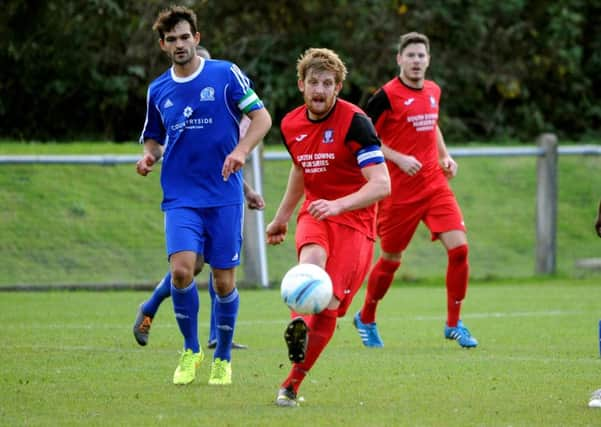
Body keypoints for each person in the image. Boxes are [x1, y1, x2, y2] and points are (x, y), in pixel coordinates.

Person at [136, 5, 271, 386]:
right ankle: (191, 350)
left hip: (224, 196)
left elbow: (262, 118)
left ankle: (223, 358)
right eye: (171, 39)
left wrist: (241, 151)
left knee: (224, 282)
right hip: (180, 196)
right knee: (182, 270)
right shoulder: (158, 89)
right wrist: (149, 156)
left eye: (185, 37)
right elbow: (154, 137)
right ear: (163, 45)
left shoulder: (225, 74)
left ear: (197, 38)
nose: (180, 44)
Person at [266, 48, 391, 407]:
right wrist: (282, 216)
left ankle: (292, 383)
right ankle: (298, 325)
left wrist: (338, 204)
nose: (319, 89)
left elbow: (382, 184)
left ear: (338, 87)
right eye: (313, 82)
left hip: (356, 222)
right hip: (316, 214)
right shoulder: (290, 124)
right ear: (301, 85)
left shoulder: (356, 122)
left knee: (330, 306)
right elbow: (300, 171)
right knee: (311, 269)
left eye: (327, 83)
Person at [352, 32, 478, 349]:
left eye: (422, 55)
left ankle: (454, 323)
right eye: (411, 55)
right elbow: (364, 136)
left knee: (460, 250)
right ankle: (366, 317)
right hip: (398, 193)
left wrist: (445, 156)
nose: (417, 61)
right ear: (399, 60)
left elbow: (432, 123)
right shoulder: (385, 96)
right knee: (392, 259)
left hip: (434, 185)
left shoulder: (434, 90)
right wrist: (397, 157)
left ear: (429, 60)